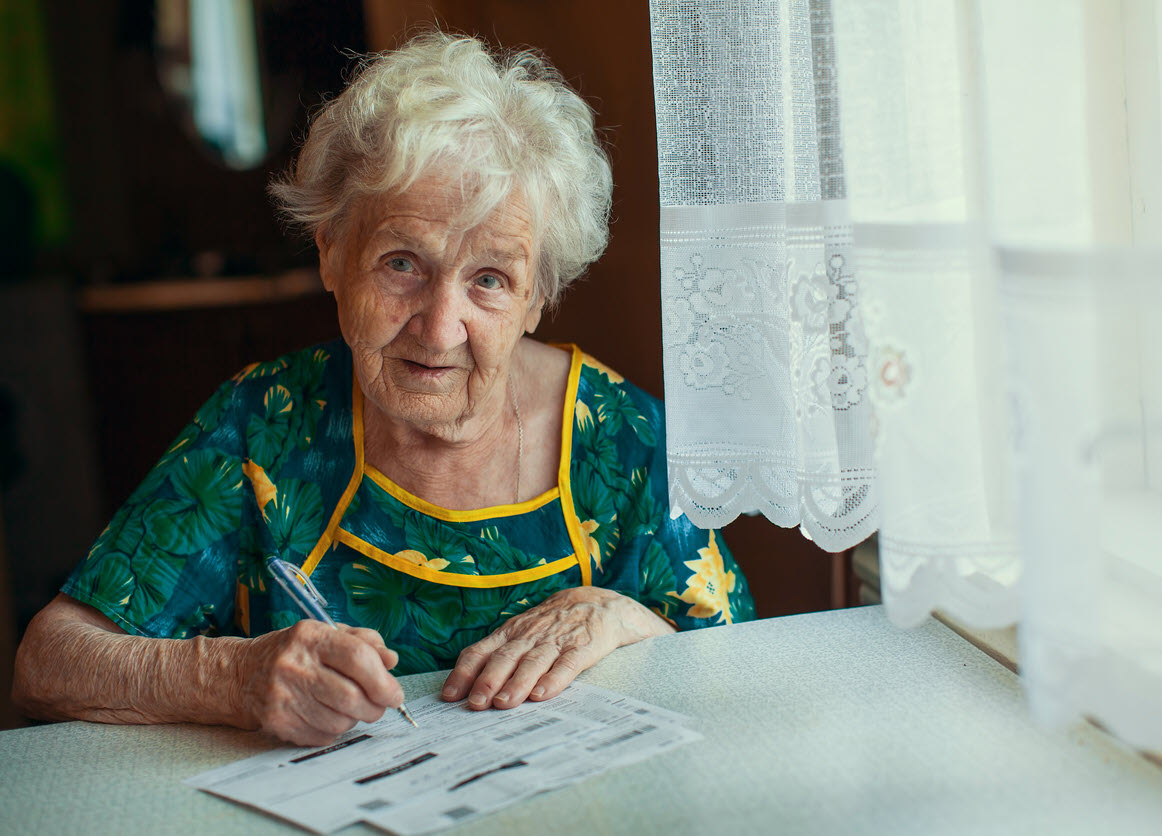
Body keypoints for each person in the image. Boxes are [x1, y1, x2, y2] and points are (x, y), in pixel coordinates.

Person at [12, 31, 755, 746]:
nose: (439, 329)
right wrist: (233, 677)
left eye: (490, 281)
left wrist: (626, 621)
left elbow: (748, 681)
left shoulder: (623, 438)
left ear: (537, 300)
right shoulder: (265, 424)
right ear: (332, 252)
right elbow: (48, 665)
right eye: (402, 263)